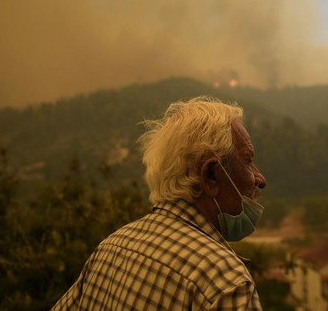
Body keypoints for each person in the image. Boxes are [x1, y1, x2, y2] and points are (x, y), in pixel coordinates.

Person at [52, 96, 267, 310]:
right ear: (210, 176)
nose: (260, 179)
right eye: (248, 161)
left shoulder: (110, 248)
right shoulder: (226, 284)